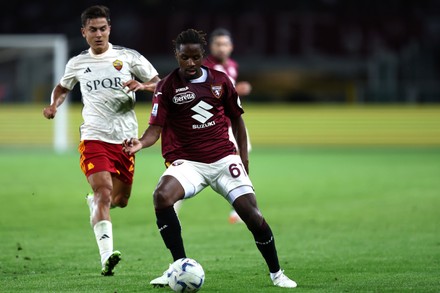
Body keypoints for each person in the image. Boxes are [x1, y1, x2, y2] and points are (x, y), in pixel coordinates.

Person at [123, 29, 297, 288]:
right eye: (185, 58)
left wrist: (243, 160)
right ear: (177, 56)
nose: (190, 63)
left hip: (224, 159)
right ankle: (178, 266)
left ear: (203, 55)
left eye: (195, 57)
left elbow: (237, 119)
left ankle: (276, 273)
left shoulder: (221, 81)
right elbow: (155, 129)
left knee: (252, 215)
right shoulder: (166, 87)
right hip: (188, 163)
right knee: (161, 196)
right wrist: (140, 142)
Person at [42, 5, 160, 276]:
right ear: (84, 32)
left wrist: (142, 86)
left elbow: (161, 84)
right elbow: (62, 87)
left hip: (126, 140)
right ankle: (106, 258)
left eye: (103, 29)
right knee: (103, 193)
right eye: (92, 30)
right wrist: (54, 105)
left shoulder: (128, 57)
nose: (98, 34)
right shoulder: (77, 63)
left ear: (109, 29)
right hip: (94, 137)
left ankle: (94, 204)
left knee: (120, 200)